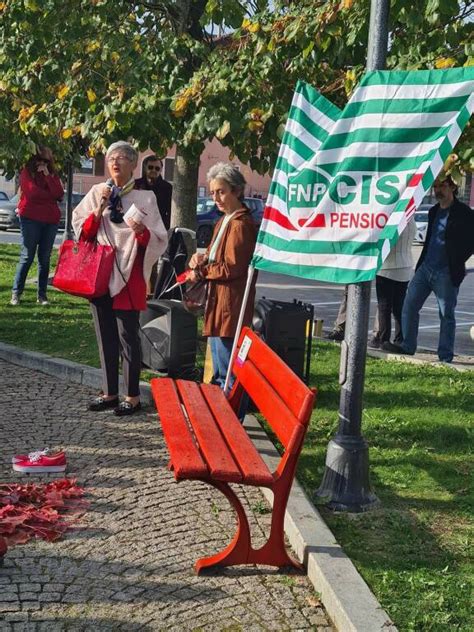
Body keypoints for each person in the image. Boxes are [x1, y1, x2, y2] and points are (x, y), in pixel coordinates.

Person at [73, 141, 168, 416]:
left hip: (130, 276)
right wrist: (99, 208)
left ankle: (133, 395)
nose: (115, 162)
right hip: (100, 275)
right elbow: (84, 232)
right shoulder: (95, 192)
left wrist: (141, 232)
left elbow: (158, 239)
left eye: (122, 158)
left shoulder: (145, 198)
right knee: (105, 336)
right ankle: (109, 392)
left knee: (128, 338)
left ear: (133, 164)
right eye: (111, 157)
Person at [188, 162, 257, 390]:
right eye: (212, 193)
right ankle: (220, 416)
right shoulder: (223, 220)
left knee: (228, 372)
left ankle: (229, 419)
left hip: (231, 304)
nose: (216, 198)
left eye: (221, 191)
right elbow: (213, 256)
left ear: (236, 191)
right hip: (217, 303)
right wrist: (199, 259)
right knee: (219, 368)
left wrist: (201, 272)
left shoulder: (240, 224)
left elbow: (232, 268)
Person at [393, 175, 474, 362]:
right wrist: (420, 265)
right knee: (409, 305)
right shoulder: (433, 211)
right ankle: (408, 346)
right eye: (435, 186)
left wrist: (458, 259)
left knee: (446, 314)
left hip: (446, 272)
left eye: (442, 186)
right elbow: (430, 239)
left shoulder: (464, 213)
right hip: (425, 268)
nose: (438, 190)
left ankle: (445, 356)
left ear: (453, 188)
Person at [10, 146, 64, 306]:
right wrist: (51, 197)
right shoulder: (26, 172)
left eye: (46, 161)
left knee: (45, 259)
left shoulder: (52, 175)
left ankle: (42, 295)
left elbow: (60, 193)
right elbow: (32, 193)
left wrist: (48, 176)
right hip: (31, 218)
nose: (42, 164)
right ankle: (16, 293)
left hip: (50, 220)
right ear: (33, 159)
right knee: (27, 255)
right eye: (39, 160)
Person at [369, 217, 416, 350]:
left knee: (384, 306)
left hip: (387, 266)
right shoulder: (411, 218)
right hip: (405, 265)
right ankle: (400, 338)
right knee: (399, 306)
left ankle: (383, 339)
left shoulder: (391, 217)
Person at [134, 155, 172, 230]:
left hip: (159, 228)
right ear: (145, 168)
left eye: (157, 168)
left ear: (161, 170)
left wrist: (165, 228)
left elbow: (170, 211)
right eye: (150, 167)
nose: (154, 170)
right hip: (138, 227)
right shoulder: (136, 184)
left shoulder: (167, 187)